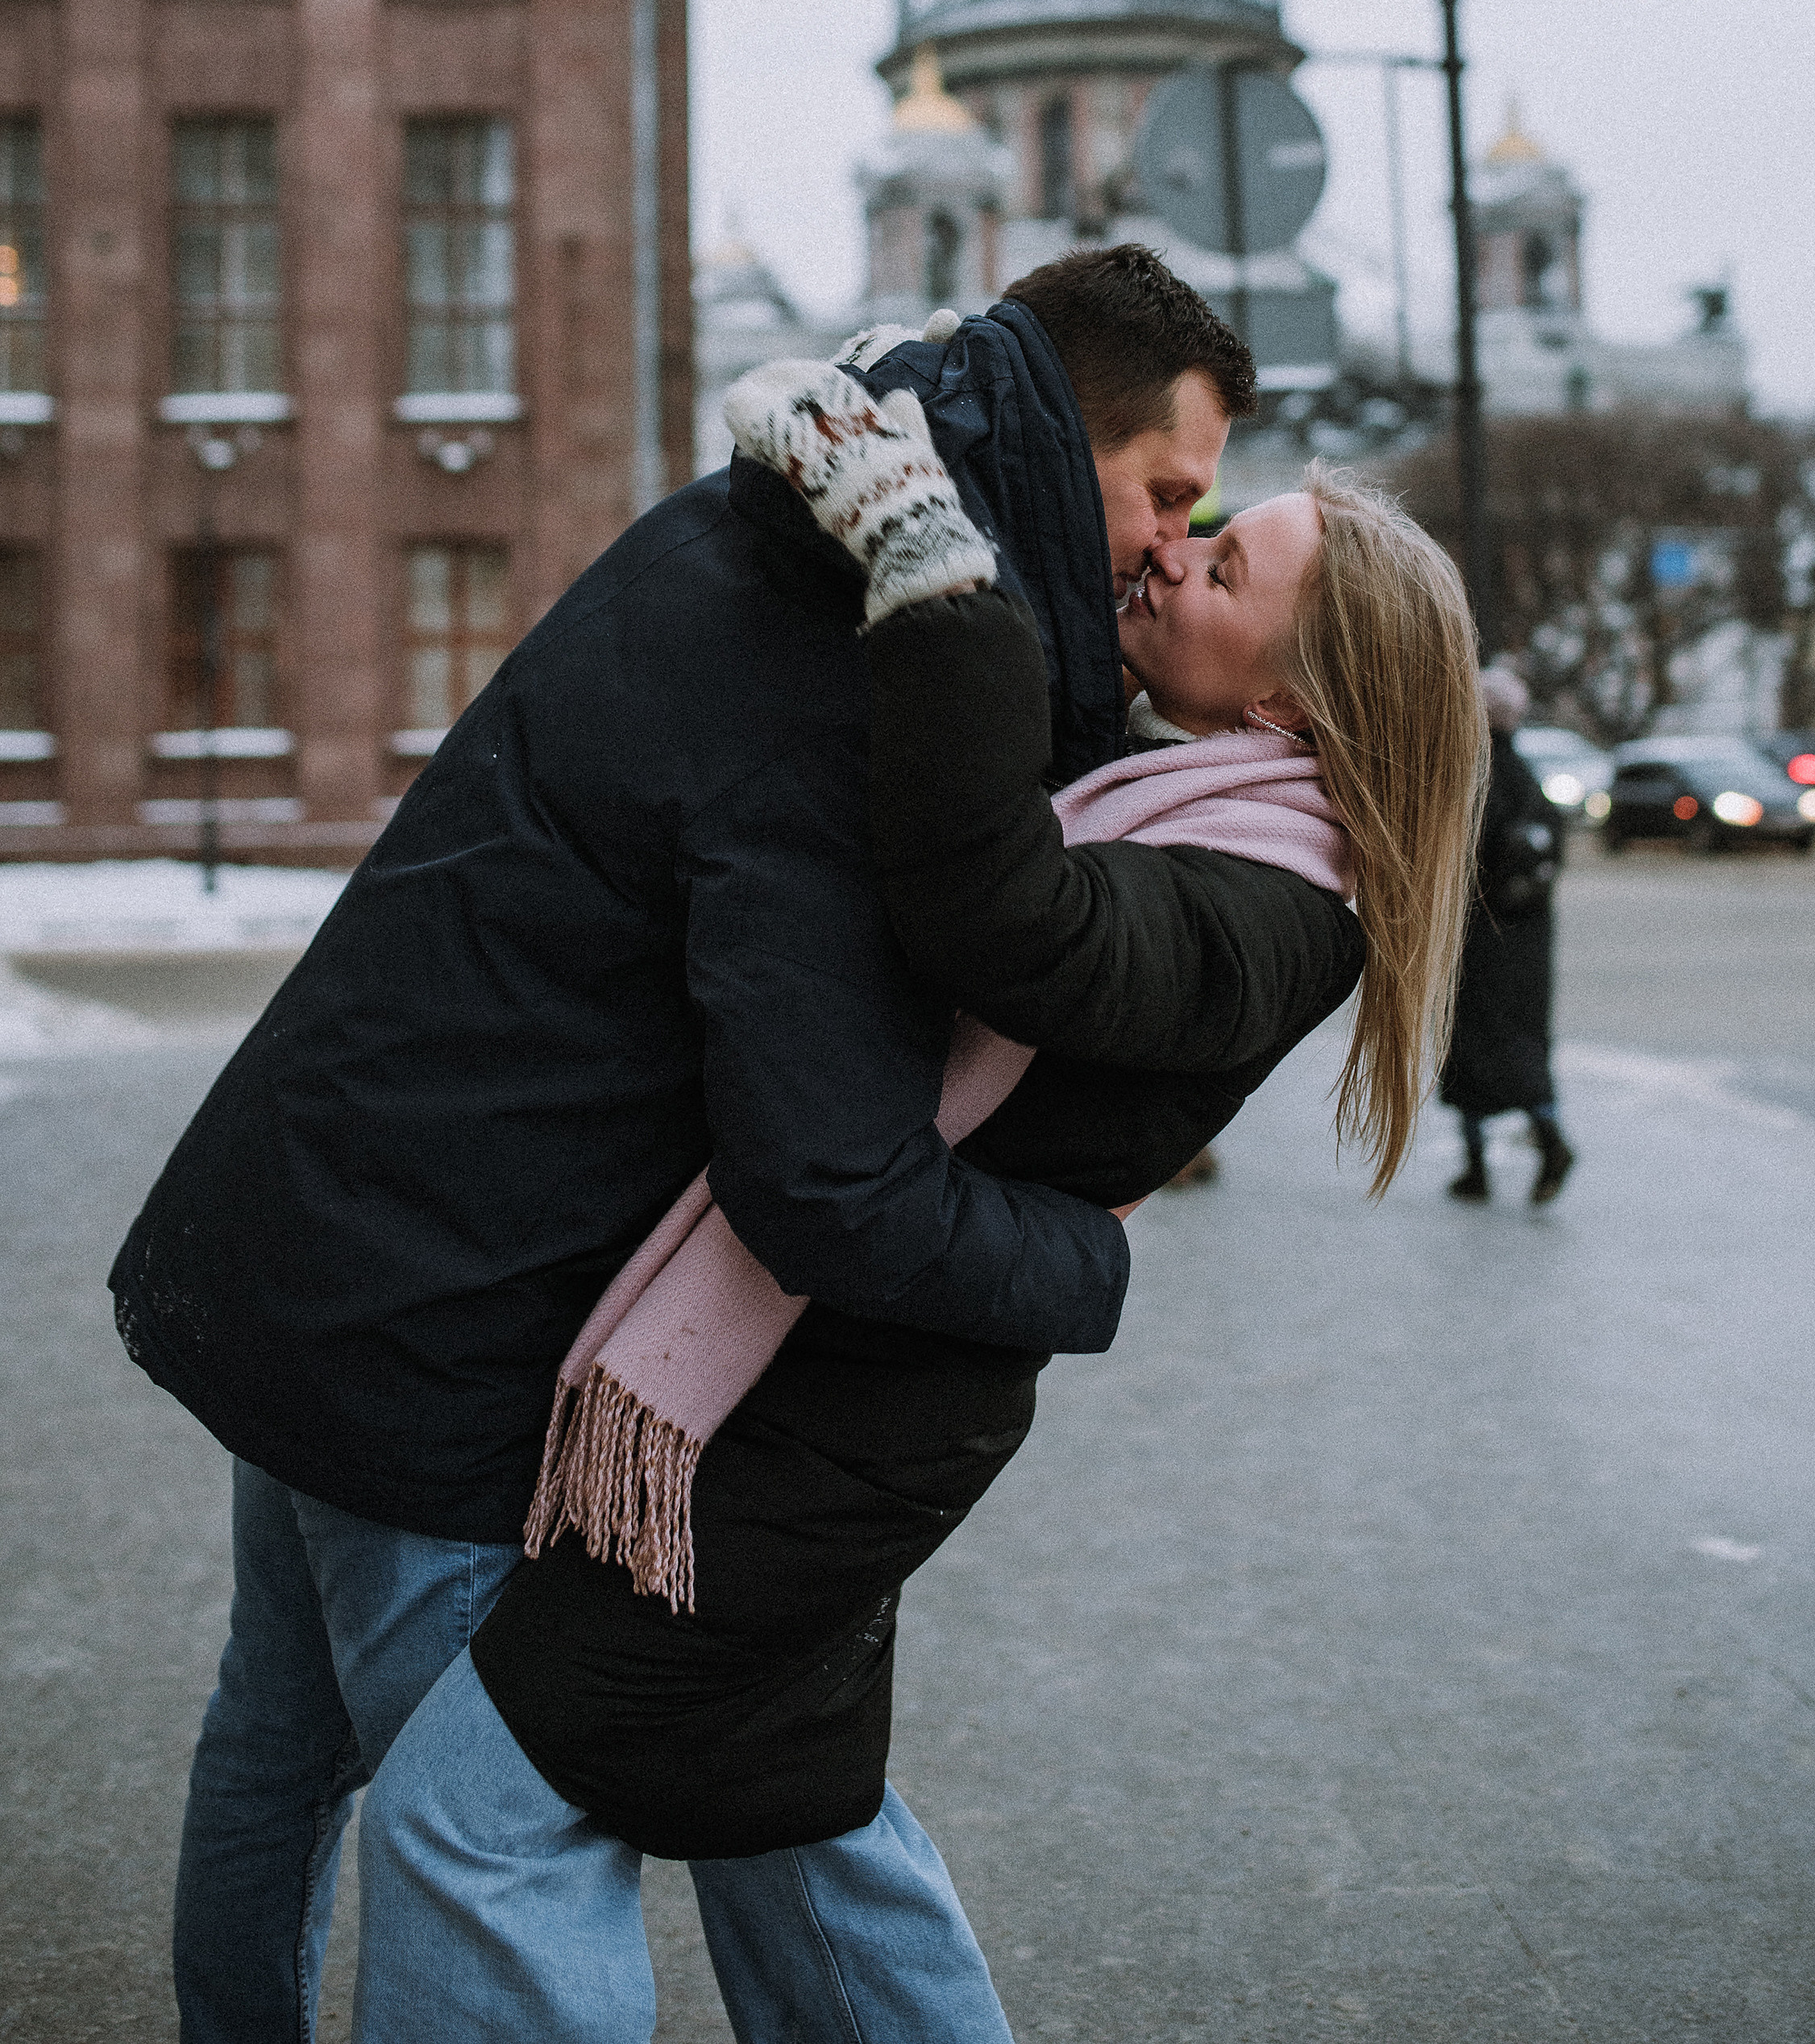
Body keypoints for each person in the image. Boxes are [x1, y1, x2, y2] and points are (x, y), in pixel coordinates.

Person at [110, 246, 1252, 2044]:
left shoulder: (769, 524)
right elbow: (826, 1176)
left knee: (283, 1734)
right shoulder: (865, 665)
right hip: (452, 1318)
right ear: (1058, 441)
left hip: (329, 1226)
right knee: (500, 1844)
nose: (1172, 547)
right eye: (1165, 493)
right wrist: (1081, 1257)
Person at [343, 375, 1489, 2040]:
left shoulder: (1274, 909)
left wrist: (935, 577)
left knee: (468, 1818)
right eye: (1197, 528)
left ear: (1296, 702)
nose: (1174, 558)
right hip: (835, 1399)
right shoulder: (1185, 807)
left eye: (1228, 568)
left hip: (827, 1447)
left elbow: (1007, 922)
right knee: (787, 1819)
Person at [1439, 663, 1576, 1205]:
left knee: (1468, 1045)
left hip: (1479, 935)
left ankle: (1476, 1167)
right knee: (1524, 1043)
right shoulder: (1530, 780)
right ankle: (1549, 1135)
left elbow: (1457, 857)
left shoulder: (1475, 777)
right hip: (1530, 941)